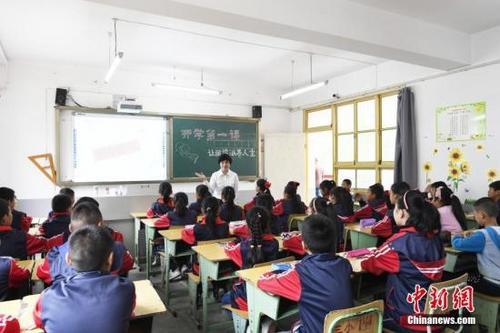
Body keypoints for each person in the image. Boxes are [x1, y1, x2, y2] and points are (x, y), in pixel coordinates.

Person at [357, 190, 445, 332]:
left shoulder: (398, 244)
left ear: (402, 213)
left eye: (395, 209)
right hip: (437, 315)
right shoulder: (434, 238)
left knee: (367, 312)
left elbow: (370, 265)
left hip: (407, 318)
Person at [258, 214, 353, 333]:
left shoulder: (300, 273)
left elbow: (262, 282)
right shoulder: (345, 265)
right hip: (345, 328)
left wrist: (272, 273)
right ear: (334, 241)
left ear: (304, 245)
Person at [34, 225, 135, 333]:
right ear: (110, 259)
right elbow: (129, 311)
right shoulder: (126, 289)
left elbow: (39, 322)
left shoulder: (47, 298)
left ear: (68, 259)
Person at [36, 202, 133, 285]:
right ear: (100, 225)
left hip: (68, 304)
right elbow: (128, 264)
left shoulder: (56, 255)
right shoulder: (116, 249)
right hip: (108, 301)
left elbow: (41, 273)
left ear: (70, 228)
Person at [222, 207, 279, 310]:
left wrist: (233, 242)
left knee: (224, 299)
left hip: (248, 296)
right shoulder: (275, 243)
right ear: (267, 223)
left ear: (247, 226)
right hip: (270, 292)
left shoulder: (243, 247)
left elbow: (228, 249)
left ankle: (250, 324)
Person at [452, 197, 500, 296]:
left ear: (482, 215)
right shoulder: (495, 231)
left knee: (456, 282)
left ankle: (461, 311)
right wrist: (475, 232)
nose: (474, 216)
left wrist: (458, 234)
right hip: (496, 280)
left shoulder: (482, 235)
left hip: (493, 284)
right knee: (472, 274)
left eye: (475, 214)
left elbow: (457, 244)